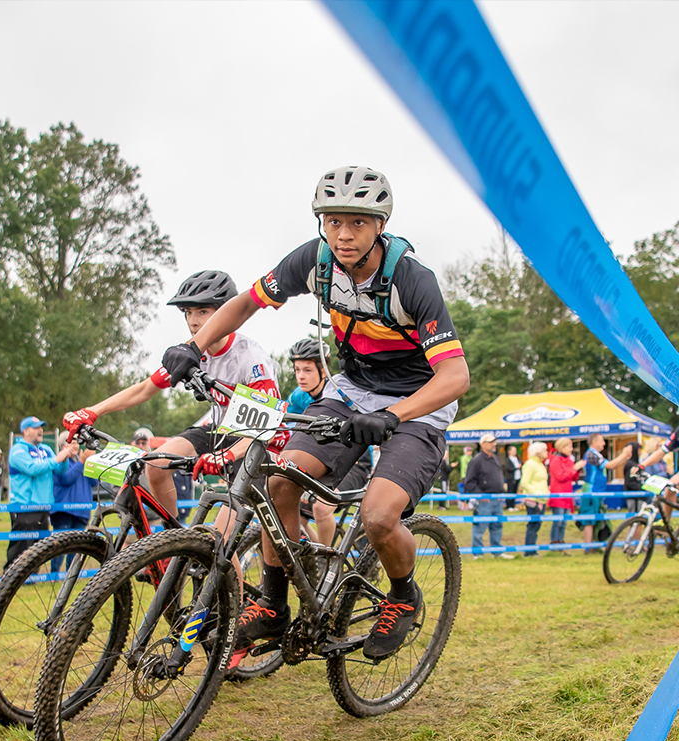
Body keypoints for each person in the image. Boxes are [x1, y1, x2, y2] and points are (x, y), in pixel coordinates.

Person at [162, 165, 470, 660]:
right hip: (351, 393)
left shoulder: (412, 280)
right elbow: (245, 304)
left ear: (380, 226)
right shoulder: (316, 261)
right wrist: (194, 344)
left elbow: (455, 377)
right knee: (276, 480)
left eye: (357, 223)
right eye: (332, 222)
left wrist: (393, 416)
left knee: (376, 516)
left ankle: (403, 594)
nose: (343, 235)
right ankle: (273, 604)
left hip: (417, 403)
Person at [63, 271, 281, 527]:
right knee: (155, 463)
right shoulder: (190, 352)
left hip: (257, 440)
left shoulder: (250, 357)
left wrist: (230, 455)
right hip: (220, 432)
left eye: (202, 312)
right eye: (188, 312)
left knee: (219, 539)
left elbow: (266, 427)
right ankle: (174, 540)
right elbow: (145, 389)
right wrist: (92, 411)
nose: (193, 321)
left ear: (226, 312)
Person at [287, 337, 373, 544]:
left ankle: (326, 565)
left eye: (307, 370)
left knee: (321, 507)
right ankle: (314, 559)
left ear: (323, 371)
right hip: (320, 459)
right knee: (293, 513)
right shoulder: (298, 397)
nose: (301, 376)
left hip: (354, 462)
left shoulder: (340, 393)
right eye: (297, 370)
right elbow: (289, 430)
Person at [6, 416, 74, 568]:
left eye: (41, 427)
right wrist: (57, 459)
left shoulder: (46, 450)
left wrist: (64, 459)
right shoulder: (17, 451)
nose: (40, 430)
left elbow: (59, 471)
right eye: (36, 427)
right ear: (25, 431)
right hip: (24, 507)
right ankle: (10, 579)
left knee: (38, 549)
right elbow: (32, 469)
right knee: (21, 547)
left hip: (43, 506)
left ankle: (32, 578)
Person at [49, 431, 98, 573]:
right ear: (62, 445)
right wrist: (81, 462)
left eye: (77, 442)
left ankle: (70, 574)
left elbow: (94, 482)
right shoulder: (60, 462)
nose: (75, 445)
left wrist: (90, 463)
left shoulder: (81, 461)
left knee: (76, 547)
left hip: (82, 510)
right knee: (60, 544)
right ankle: (54, 573)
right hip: (63, 510)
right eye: (71, 442)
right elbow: (66, 479)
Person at [580, 433, 632, 554]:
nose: (604, 443)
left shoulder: (595, 454)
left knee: (596, 519)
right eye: (602, 441)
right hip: (591, 491)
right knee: (589, 519)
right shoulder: (591, 454)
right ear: (594, 441)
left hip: (597, 492)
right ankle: (588, 548)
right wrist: (623, 454)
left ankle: (593, 545)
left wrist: (625, 457)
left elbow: (613, 465)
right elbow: (611, 465)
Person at [464, 434, 513, 559]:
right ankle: (478, 553)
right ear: (483, 444)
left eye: (494, 442)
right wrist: (479, 495)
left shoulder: (495, 458)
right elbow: (469, 481)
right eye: (491, 442)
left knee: (497, 526)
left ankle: (497, 551)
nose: (494, 444)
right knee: (480, 526)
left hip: (497, 498)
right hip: (484, 499)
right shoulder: (476, 460)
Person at [547, 437, 584, 551]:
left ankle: (560, 543)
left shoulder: (569, 461)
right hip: (558, 494)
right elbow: (561, 476)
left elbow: (572, 477)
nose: (571, 449)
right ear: (561, 447)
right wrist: (574, 468)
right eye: (569, 447)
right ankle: (554, 543)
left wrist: (577, 470)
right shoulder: (555, 461)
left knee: (564, 522)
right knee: (558, 521)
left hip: (567, 494)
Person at [518, 441, 548, 557]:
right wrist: (537, 493)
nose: (547, 453)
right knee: (533, 525)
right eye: (544, 450)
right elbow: (524, 482)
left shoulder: (540, 464)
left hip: (541, 499)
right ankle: (529, 550)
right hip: (533, 499)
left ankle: (532, 548)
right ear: (538, 453)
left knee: (537, 525)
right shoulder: (530, 464)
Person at [504, 445, 522, 510]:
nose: (515, 452)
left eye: (515, 451)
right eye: (513, 450)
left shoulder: (517, 458)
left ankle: (513, 505)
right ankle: (509, 506)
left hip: (517, 477)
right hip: (511, 478)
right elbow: (508, 468)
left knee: (515, 492)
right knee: (510, 491)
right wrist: (516, 468)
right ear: (509, 451)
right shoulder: (507, 459)